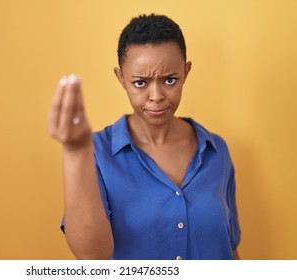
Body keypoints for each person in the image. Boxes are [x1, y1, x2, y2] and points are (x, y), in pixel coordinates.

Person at [48, 14, 241, 260]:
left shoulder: (216, 151)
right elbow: (93, 258)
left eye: (170, 80)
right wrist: (75, 151)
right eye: (140, 83)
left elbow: (229, 249)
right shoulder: (96, 152)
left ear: (186, 71)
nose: (156, 95)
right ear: (121, 78)